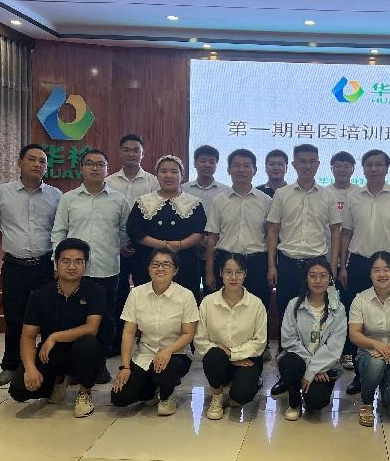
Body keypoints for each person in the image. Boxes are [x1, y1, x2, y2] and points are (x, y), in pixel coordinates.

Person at [266, 144, 342, 396]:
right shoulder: (282, 194)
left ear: (318, 164)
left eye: (312, 161)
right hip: (288, 263)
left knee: (318, 318)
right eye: (302, 161)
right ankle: (286, 374)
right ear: (294, 165)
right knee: (288, 318)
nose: (307, 166)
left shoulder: (328, 195)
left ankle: (317, 366)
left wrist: (332, 266)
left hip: (317, 266)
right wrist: (272, 265)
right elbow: (273, 230)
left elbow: (335, 231)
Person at [0, 143, 62, 387]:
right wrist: (8, 243)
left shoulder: (55, 195)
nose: (37, 164)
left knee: (49, 317)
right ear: (20, 163)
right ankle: (11, 365)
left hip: (45, 265)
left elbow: (61, 228)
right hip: (15, 267)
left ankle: (50, 365)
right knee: (14, 317)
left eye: (42, 161)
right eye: (32, 159)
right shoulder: (3, 192)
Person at [339, 149, 390, 395]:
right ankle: (361, 374)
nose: (374, 169)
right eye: (369, 165)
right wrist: (342, 265)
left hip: (389, 264)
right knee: (359, 317)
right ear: (363, 169)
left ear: (387, 167)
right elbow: (346, 233)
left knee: (389, 314)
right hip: (359, 263)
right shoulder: (353, 197)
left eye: (378, 164)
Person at [52, 149, 129, 383]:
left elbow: (125, 231)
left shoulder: (118, 200)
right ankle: (75, 367)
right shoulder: (69, 199)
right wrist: (57, 264)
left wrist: (115, 248)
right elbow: (59, 231)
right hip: (74, 272)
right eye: (89, 163)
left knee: (106, 319)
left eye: (100, 164)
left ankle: (100, 364)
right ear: (82, 168)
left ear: (107, 169)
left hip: (107, 269)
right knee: (74, 318)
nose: (95, 168)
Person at [8, 238, 105, 418]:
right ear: (56, 263)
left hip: (82, 352)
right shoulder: (40, 295)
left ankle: (84, 392)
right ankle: (59, 380)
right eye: (66, 261)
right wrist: (30, 368)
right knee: (19, 391)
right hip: (51, 354)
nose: (72, 266)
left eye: (78, 262)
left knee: (88, 345)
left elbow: (91, 328)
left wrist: (54, 336)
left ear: (85, 265)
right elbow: (28, 337)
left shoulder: (96, 291)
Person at [111, 247, 199, 416]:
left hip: (176, 354)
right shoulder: (136, 294)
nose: (160, 268)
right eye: (155, 264)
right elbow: (128, 333)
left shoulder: (185, 295)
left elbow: (189, 333)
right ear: (148, 268)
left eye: (166, 264)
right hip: (145, 354)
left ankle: (167, 394)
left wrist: (168, 351)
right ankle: (151, 389)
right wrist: (125, 366)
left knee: (165, 371)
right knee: (119, 397)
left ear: (175, 270)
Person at [348, 252, 390, 427]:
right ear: (370, 274)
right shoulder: (360, 299)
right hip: (369, 355)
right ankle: (367, 402)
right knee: (375, 364)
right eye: (376, 270)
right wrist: (376, 345)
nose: (382, 274)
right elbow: (354, 334)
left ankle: (384, 385)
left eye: (386, 269)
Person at [105, 133, 160, 356]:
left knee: (147, 294)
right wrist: (119, 244)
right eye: (127, 149)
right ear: (120, 153)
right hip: (115, 248)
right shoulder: (109, 182)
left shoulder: (152, 182)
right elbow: (108, 218)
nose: (131, 154)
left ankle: (147, 340)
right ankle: (116, 341)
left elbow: (155, 217)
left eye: (136, 150)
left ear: (142, 154)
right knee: (117, 295)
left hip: (144, 248)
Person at [195, 254, 268, 421]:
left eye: (239, 272)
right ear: (221, 273)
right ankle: (217, 395)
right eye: (228, 272)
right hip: (218, 359)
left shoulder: (256, 304)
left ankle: (251, 381)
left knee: (241, 396)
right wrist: (230, 357)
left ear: (245, 274)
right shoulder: (208, 302)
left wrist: (233, 354)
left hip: (247, 359)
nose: (233, 277)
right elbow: (200, 340)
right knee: (214, 355)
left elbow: (259, 342)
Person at [205, 149, 272, 321]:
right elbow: (212, 237)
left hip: (256, 263)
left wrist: (271, 266)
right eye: (236, 165)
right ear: (228, 170)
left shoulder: (266, 201)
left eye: (246, 166)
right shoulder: (219, 200)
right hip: (225, 261)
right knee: (223, 311)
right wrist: (209, 271)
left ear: (255, 170)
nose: (241, 170)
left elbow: (271, 237)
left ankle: (257, 340)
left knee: (257, 310)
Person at [127, 155, 207, 297]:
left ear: (182, 175)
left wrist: (180, 245)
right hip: (148, 262)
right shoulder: (143, 201)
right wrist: (159, 244)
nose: (168, 175)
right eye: (163, 171)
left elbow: (200, 231)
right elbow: (134, 230)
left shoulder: (194, 203)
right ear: (157, 175)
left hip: (185, 263)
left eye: (174, 171)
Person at [277, 257, 347, 421]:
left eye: (323, 276)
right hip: (301, 361)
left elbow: (334, 347)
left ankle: (308, 393)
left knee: (316, 401)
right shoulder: (294, 305)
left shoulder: (338, 309)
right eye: (313, 276)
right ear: (306, 279)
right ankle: (294, 403)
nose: (318, 280)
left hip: (325, 365)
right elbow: (288, 340)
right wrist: (312, 368)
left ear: (330, 278)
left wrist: (316, 368)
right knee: (288, 361)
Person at [182, 144, 230, 296]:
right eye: (203, 161)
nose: (207, 165)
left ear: (216, 165)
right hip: (188, 251)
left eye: (211, 161)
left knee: (215, 295)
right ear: (195, 163)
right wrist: (196, 239)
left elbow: (228, 221)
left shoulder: (226, 192)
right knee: (188, 294)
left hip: (216, 252)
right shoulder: (183, 189)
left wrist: (211, 240)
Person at [327, 150, 357, 370]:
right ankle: (326, 349)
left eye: (347, 166)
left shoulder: (358, 194)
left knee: (348, 307)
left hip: (350, 262)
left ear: (353, 169)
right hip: (325, 259)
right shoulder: (325, 193)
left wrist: (343, 264)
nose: (342, 169)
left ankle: (348, 351)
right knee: (327, 308)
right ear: (332, 168)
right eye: (338, 165)